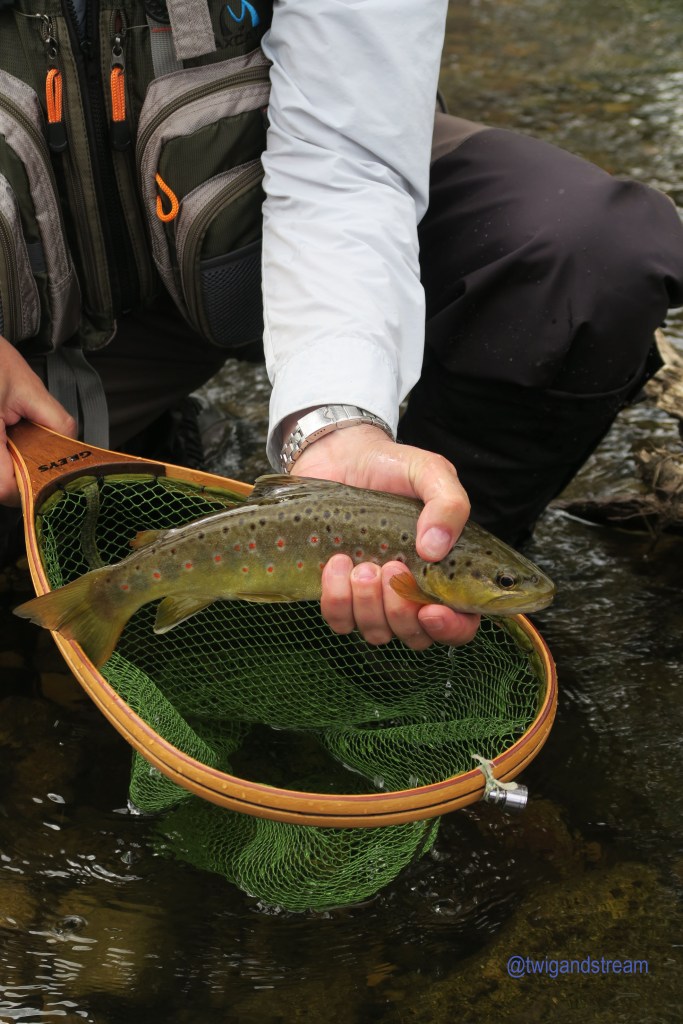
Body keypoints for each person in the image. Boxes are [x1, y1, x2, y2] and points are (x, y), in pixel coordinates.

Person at [1, 0, 682, 654]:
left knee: (588, 249)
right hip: (26, 317)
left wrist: (333, 420)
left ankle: (399, 642)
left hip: (250, 239)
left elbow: (345, 160)